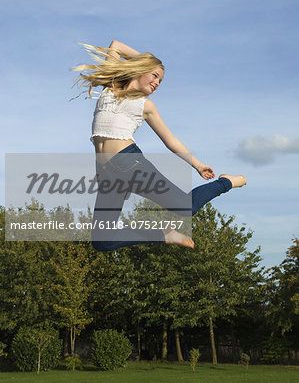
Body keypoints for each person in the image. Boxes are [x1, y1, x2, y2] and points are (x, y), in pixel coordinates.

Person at [73, 40, 246, 252]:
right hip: (107, 173)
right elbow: (116, 45)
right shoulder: (111, 85)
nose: (157, 82)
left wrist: (198, 165)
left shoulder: (146, 105)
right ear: (142, 69)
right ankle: (163, 234)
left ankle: (225, 182)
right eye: (154, 76)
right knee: (102, 241)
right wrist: (148, 62)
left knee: (186, 207)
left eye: (160, 81)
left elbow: (170, 140)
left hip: (129, 163)